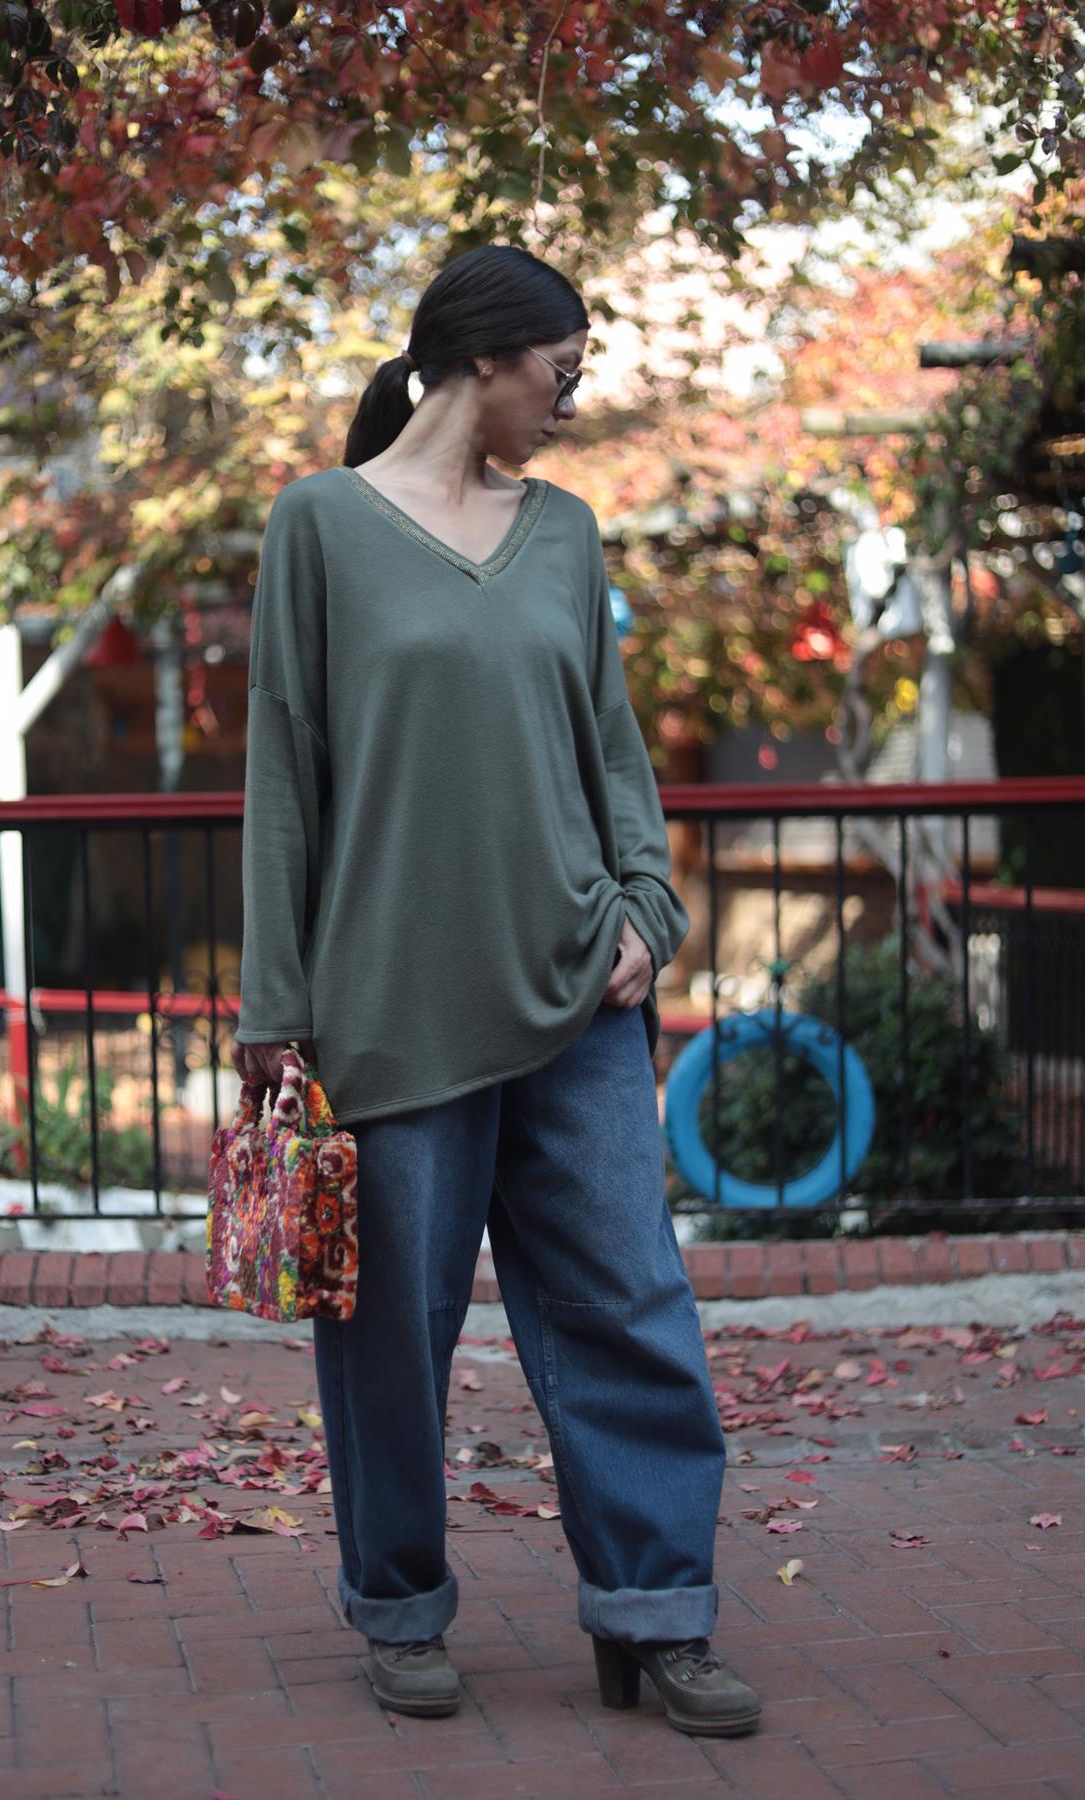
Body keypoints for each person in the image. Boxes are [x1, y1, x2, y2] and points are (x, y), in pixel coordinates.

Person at [231, 244, 760, 1739]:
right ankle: (400, 1607)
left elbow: (612, 750)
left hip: (579, 998)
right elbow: (284, 776)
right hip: (389, 1009)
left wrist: (648, 907)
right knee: (391, 1333)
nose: (571, 401)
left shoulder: (567, 533)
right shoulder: (319, 527)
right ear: (482, 356)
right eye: (562, 370)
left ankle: (658, 1615)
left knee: (632, 1307)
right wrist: (274, 1003)